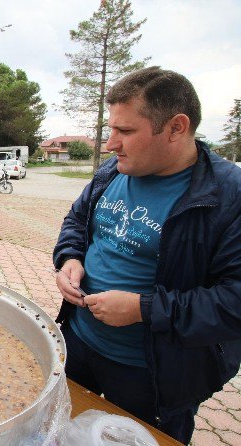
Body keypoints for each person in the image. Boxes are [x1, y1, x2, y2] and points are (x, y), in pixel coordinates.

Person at [52, 66, 241, 444]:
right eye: (111, 129)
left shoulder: (229, 196)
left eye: (125, 131)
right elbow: (77, 219)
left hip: (154, 374)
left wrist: (144, 308)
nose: (110, 144)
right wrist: (69, 259)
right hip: (80, 342)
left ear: (176, 127)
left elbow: (235, 302)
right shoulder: (114, 171)